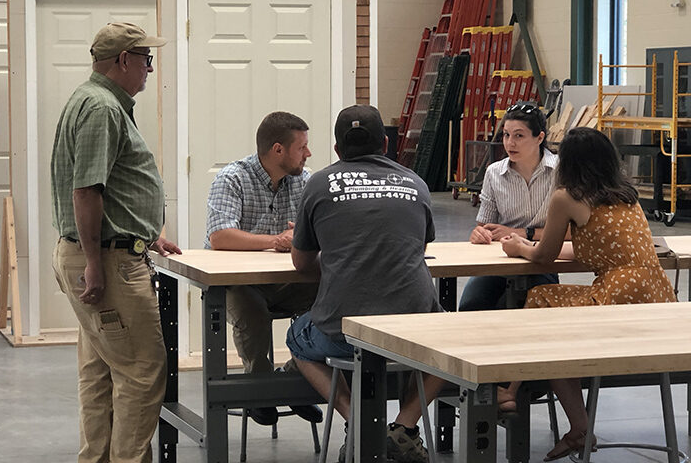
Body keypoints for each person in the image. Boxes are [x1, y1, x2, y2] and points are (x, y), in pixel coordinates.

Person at [501, 127, 677, 461]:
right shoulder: (626, 194)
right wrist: (531, 246)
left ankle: (515, 391)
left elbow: (543, 258)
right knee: (556, 324)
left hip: (617, 297)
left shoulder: (566, 197)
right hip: (657, 298)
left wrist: (518, 248)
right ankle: (539, 401)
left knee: (541, 301)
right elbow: (598, 248)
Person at [50, 22, 181, 463]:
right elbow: (86, 191)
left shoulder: (93, 101)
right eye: (146, 59)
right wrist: (95, 262)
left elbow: (111, 186)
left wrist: (146, 234)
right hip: (107, 262)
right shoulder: (102, 108)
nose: (149, 68)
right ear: (124, 60)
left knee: (101, 370)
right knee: (143, 371)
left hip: (108, 251)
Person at [287, 105, 445, 463]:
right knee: (448, 342)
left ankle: (354, 419)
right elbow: (419, 247)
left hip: (344, 330)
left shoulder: (320, 183)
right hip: (413, 330)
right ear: (385, 144)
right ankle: (403, 427)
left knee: (297, 337)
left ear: (338, 149)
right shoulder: (415, 183)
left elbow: (301, 262)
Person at [205, 111, 321, 426]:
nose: (308, 154)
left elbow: (317, 228)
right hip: (239, 285)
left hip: (287, 282)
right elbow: (220, 236)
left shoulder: (305, 180)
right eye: (302, 147)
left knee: (330, 295)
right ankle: (261, 387)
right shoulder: (232, 178)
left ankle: (295, 381)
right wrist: (276, 240)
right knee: (251, 309)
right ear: (278, 150)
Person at [460, 103, 562, 314]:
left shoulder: (560, 171)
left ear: (540, 138)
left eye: (519, 136)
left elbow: (570, 233)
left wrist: (520, 234)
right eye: (506, 135)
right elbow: (485, 227)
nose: (510, 143)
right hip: (501, 260)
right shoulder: (494, 173)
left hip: (540, 259)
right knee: (472, 306)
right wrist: (480, 234)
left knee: (538, 310)